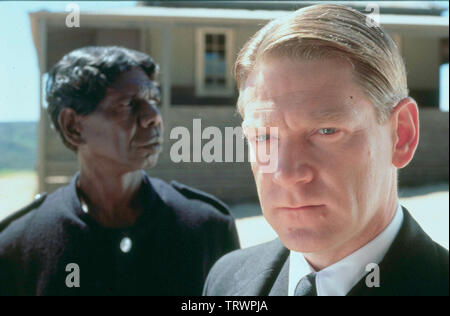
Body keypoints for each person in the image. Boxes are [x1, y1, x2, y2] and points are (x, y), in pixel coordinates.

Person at [203, 4, 448, 296]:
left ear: (402, 134)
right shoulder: (227, 281)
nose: (286, 173)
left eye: (326, 131)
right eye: (265, 137)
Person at [0, 46, 240, 296]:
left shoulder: (208, 228)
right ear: (73, 126)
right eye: (127, 104)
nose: (153, 116)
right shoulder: (18, 246)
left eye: (153, 101)